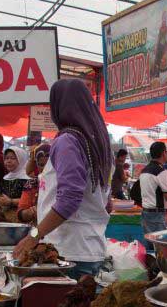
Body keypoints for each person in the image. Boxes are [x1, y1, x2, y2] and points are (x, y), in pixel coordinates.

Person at [13, 79, 114, 280]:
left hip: (67, 249)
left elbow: (69, 199)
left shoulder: (68, 141)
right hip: (88, 247)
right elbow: (107, 204)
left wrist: (34, 236)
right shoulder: (100, 145)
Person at [136, 142, 167, 242]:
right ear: (163, 153)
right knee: (160, 246)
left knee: (150, 245)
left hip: (146, 213)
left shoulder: (145, 170)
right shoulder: (161, 172)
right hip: (157, 215)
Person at [17, 144, 51, 224]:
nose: (45, 168)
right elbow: (20, 214)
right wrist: (29, 213)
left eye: (49, 165)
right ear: (36, 165)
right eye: (41, 165)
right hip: (37, 232)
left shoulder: (63, 184)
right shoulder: (32, 183)